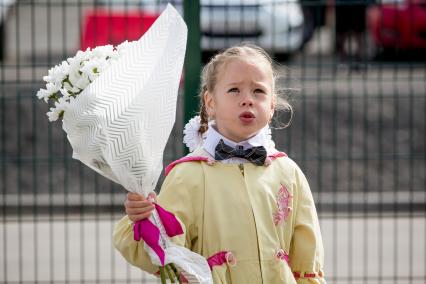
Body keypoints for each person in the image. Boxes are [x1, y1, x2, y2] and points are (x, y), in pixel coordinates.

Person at [113, 43, 326, 283]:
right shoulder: (188, 175)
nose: (247, 99)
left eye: (259, 91)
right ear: (210, 101)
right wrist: (141, 217)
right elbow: (159, 252)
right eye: (234, 90)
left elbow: (308, 261)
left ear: (272, 105)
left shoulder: (289, 173)